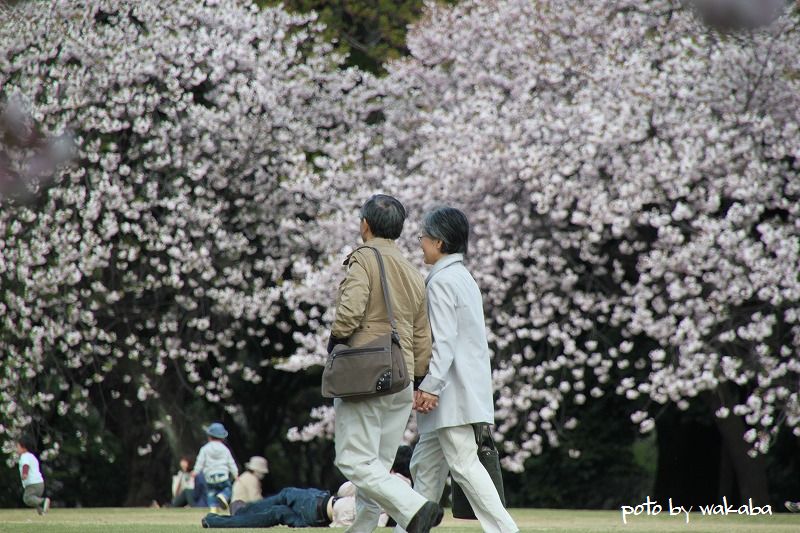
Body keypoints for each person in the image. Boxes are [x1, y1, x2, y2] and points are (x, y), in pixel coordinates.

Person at [329, 194, 442, 533]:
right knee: (376, 465)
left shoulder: (364, 258)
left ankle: (414, 505)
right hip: (402, 375)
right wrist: (420, 376)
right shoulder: (412, 269)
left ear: (365, 224)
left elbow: (350, 311)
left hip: (365, 372)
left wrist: (336, 339)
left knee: (352, 459)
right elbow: (423, 334)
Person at [409, 206, 519, 533]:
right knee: (425, 468)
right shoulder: (462, 277)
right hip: (460, 390)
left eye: (424, 237)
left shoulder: (442, 281)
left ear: (440, 243)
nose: (420, 242)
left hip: (450, 392)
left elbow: (443, 342)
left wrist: (430, 385)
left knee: (465, 465)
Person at [201, 483, 355, 529]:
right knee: (277, 513)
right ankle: (214, 521)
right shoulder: (375, 515)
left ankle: (242, 510)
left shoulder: (372, 500)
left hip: (318, 504)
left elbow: (344, 490)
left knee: (286, 493)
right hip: (319, 520)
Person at [193, 422, 239, 513]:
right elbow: (231, 462)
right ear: (222, 438)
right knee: (228, 489)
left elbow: (200, 461)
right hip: (222, 476)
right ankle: (223, 496)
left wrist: (196, 471)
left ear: (209, 437)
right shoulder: (225, 449)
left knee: (211, 493)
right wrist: (236, 474)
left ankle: (213, 509)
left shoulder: (204, 449)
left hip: (209, 477)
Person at [16, 437, 50, 515]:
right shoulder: (32, 456)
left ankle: (43, 502)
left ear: (24, 447)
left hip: (32, 483)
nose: (17, 449)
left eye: (18, 447)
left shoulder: (24, 456)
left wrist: (25, 474)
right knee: (35, 499)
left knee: (27, 498)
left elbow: (25, 465)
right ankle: (42, 512)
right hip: (40, 483)